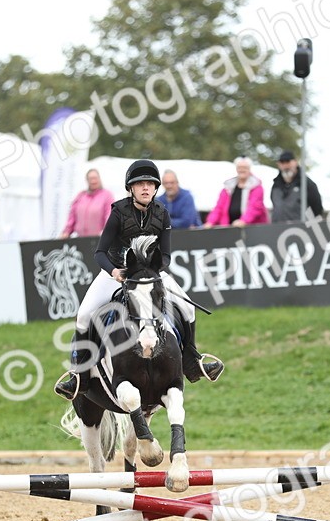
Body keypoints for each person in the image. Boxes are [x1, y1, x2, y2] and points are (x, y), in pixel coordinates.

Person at [54, 159, 224, 400]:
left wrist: (154, 273)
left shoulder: (162, 214)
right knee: (83, 315)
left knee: (187, 307)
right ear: (131, 188)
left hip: (150, 276)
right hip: (116, 273)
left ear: (156, 189)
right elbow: (99, 253)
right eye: (140, 184)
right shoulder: (118, 212)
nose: (146, 188)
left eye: (150, 184)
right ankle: (79, 375)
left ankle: (193, 361)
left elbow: (165, 255)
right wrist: (114, 271)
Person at [205, 157, 268, 226]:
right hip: (229, 227)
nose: (242, 170)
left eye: (245, 167)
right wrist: (210, 222)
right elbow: (219, 208)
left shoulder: (256, 187)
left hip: (251, 228)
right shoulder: (227, 188)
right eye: (239, 167)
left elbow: (255, 207)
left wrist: (243, 221)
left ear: (249, 169)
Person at [270, 150, 324, 223]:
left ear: (295, 162)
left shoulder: (306, 184)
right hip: (278, 230)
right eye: (282, 162)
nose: (285, 166)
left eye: (288, 162)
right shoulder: (276, 185)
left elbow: (317, 209)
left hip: (301, 231)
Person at [59, 169, 115, 238]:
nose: (93, 181)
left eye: (95, 178)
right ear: (87, 180)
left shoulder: (107, 195)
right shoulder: (80, 196)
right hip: (80, 239)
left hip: (99, 239)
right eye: (90, 179)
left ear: (99, 179)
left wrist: (107, 232)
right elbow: (72, 217)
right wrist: (66, 231)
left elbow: (109, 216)